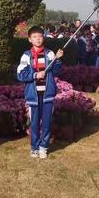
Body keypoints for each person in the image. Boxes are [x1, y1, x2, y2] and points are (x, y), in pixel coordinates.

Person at [17, 26, 63, 159]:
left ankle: (44, 147)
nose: (38, 39)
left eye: (40, 36)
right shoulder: (26, 56)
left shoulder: (50, 54)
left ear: (43, 37)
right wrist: (35, 75)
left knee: (47, 122)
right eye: (35, 37)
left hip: (47, 94)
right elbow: (21, 75)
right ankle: (34, 147)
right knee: (35, 122)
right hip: (33, 95)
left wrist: (58, 59)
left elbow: (56, 71)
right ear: (29, 39)